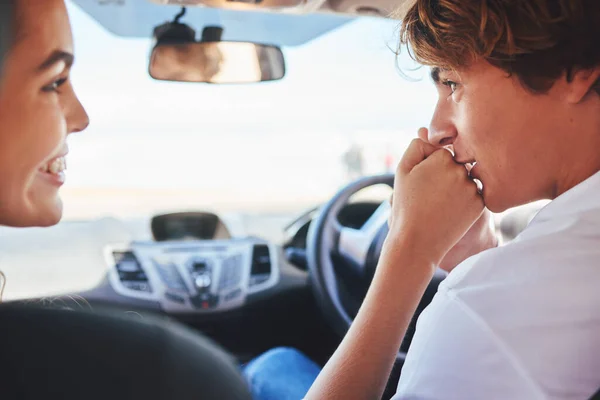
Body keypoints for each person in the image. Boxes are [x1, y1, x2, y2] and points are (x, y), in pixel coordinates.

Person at [245, 0, 600, 399]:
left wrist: (407, 252)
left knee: (272, 366)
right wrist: (481, 261)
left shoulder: (483, 311)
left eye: (453, 84)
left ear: (575, 73)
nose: (435, 131)